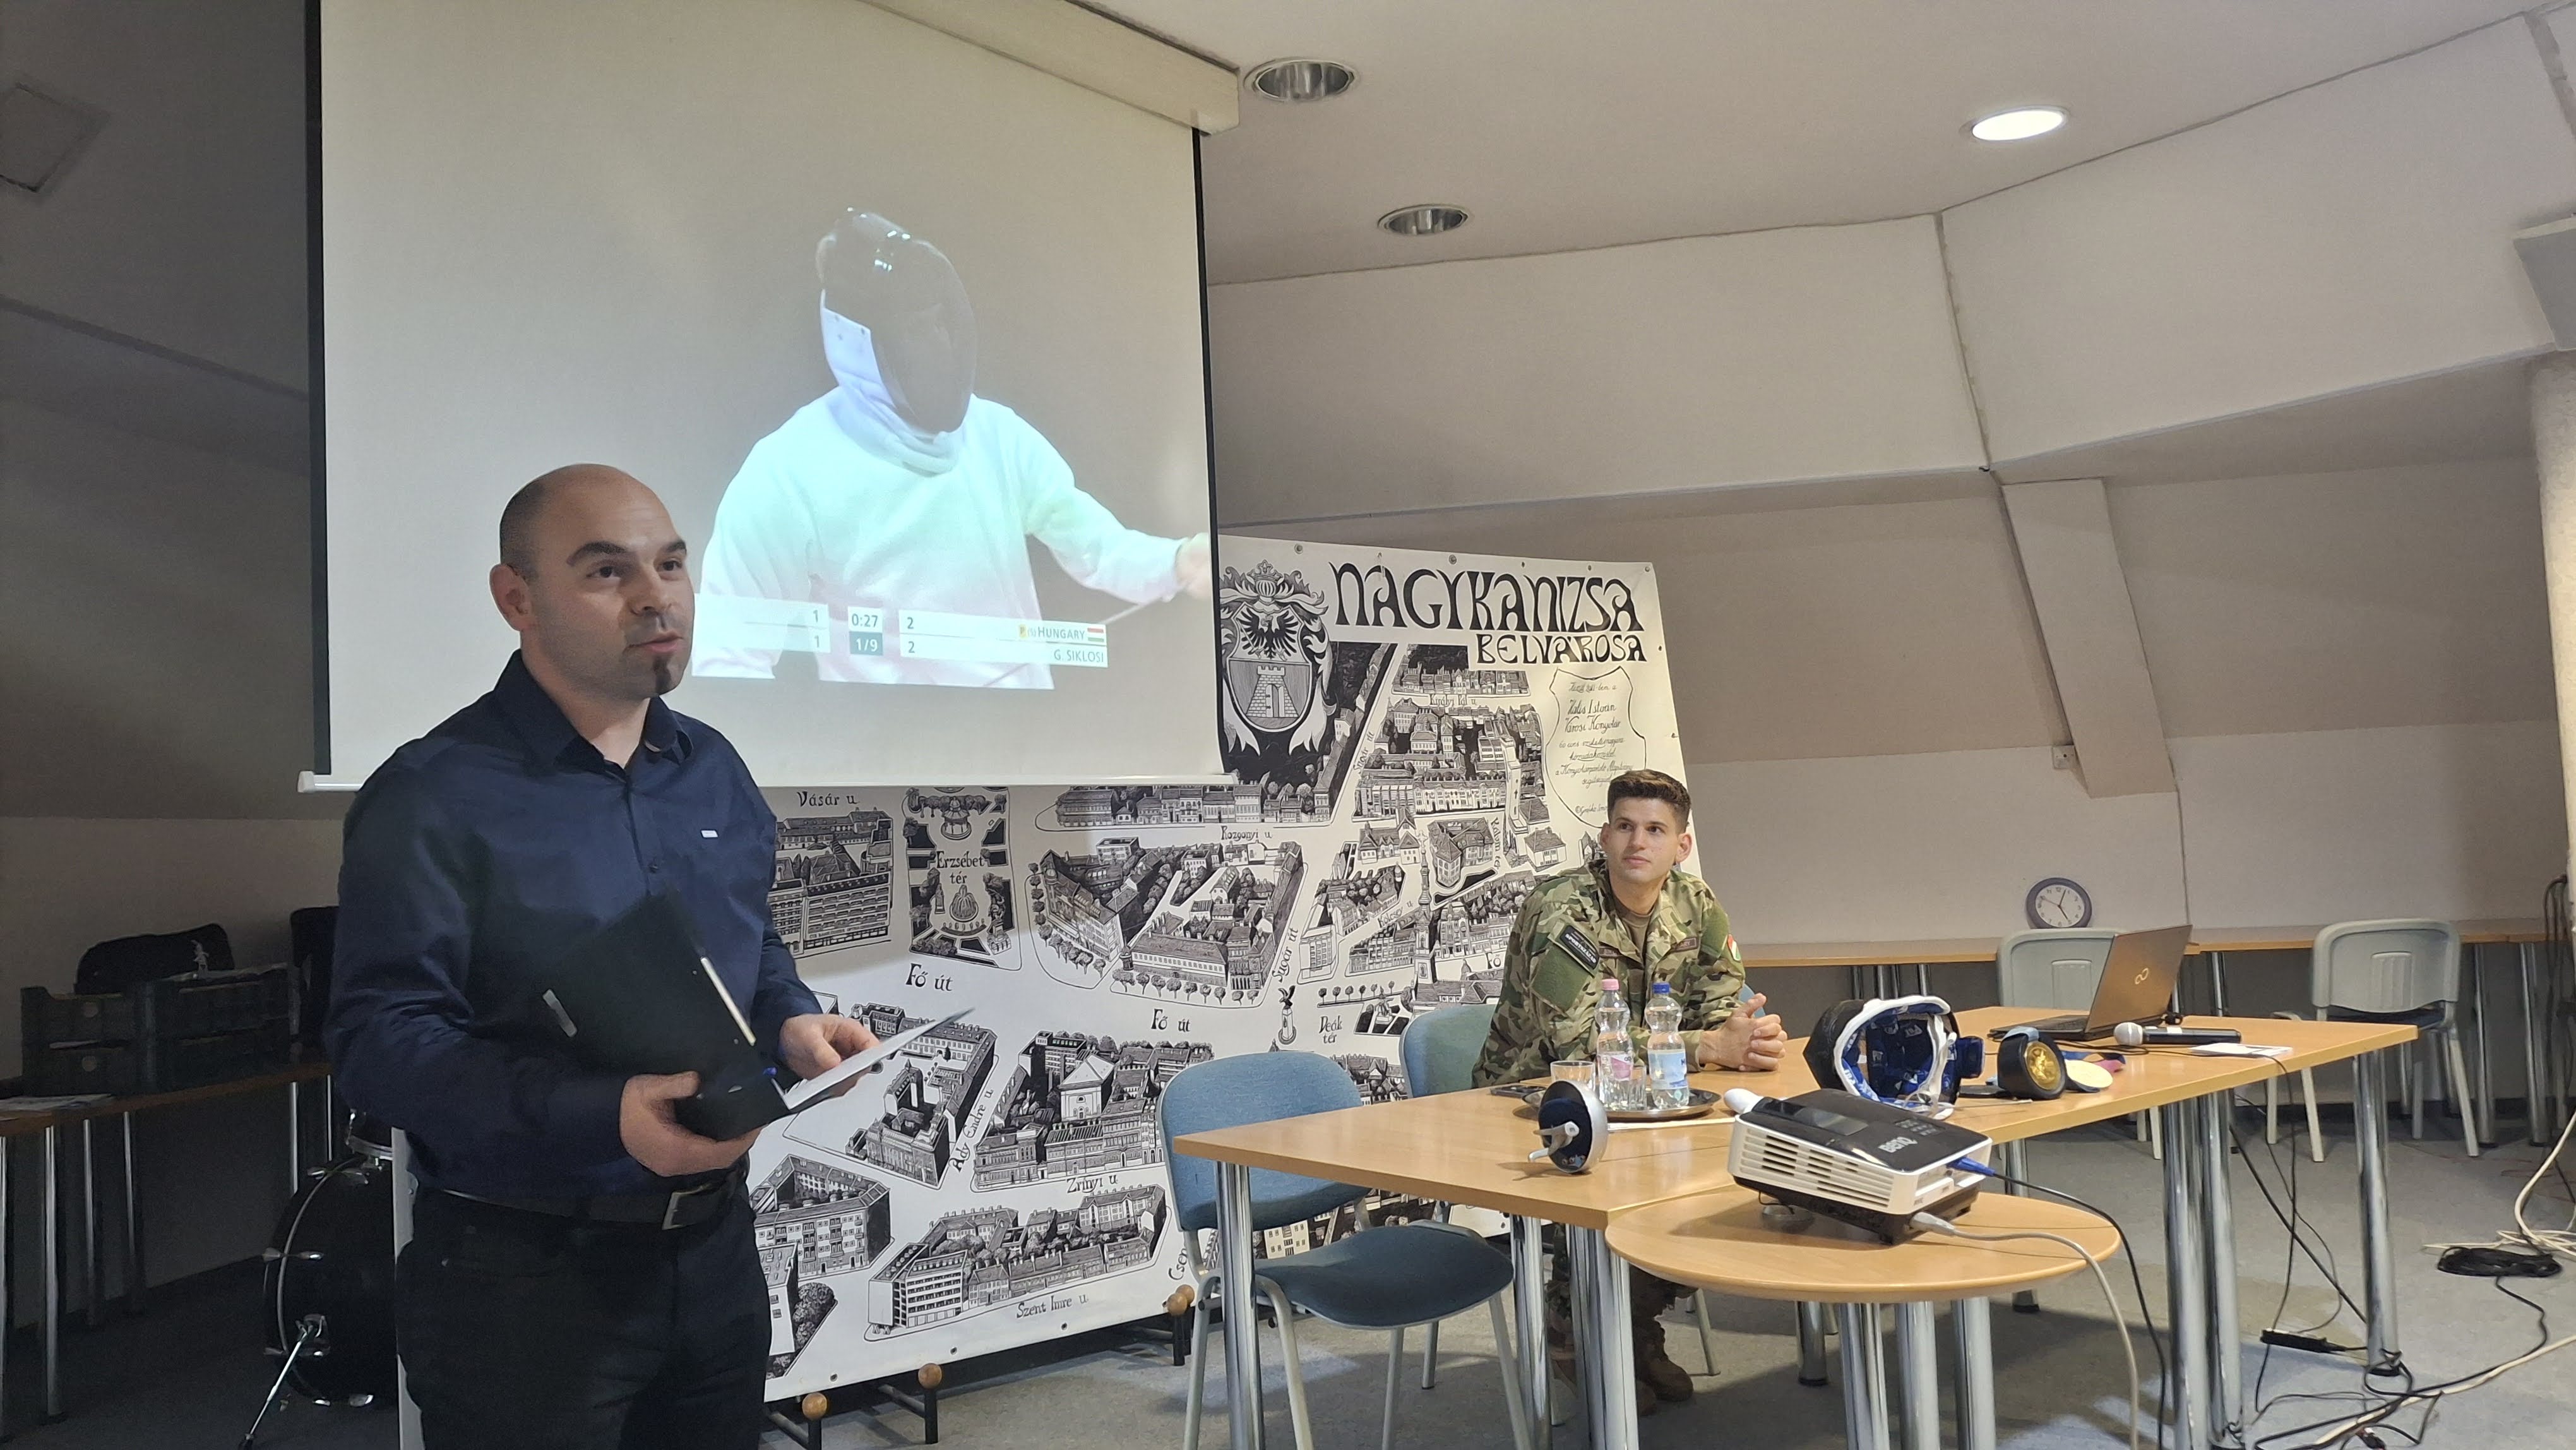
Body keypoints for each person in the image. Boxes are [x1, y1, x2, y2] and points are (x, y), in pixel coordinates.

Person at [326, 464, 880, 1450]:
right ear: (517, 599)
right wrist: (602, 1115)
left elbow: (749, 943)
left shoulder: (712, 770)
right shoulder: (433, 794)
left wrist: (791, 1018)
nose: (656, 597)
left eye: (670, 565)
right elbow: (380, 1045)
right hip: (521, 1281)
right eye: (607, 571)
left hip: (715, 1259)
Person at [692, 210, 1210, 686]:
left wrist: (1178, 562)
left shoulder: (996, 436)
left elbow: (1099, 548)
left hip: (1024, 738)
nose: (939, 345)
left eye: (942, 322)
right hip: (888, 748)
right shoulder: (788, 473)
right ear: (855, 342)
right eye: (915, 330)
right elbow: (730, 654)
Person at [1470, 767, 1788, 1411]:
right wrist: (1706, 1045)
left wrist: (1745, 1038)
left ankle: (1635, 1323)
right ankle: (1574, 1331)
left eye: (1654, 830)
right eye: (1624, 826)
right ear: (1605, 836)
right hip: (1537, 1099)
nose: (1637, 842)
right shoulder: (1563, 909)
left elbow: (1723, 1005)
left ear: (1681, 844)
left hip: (1647, 1097)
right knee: (1613, 1183)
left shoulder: (1695, 902)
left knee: (1721, 1182)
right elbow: (1577, 1043)